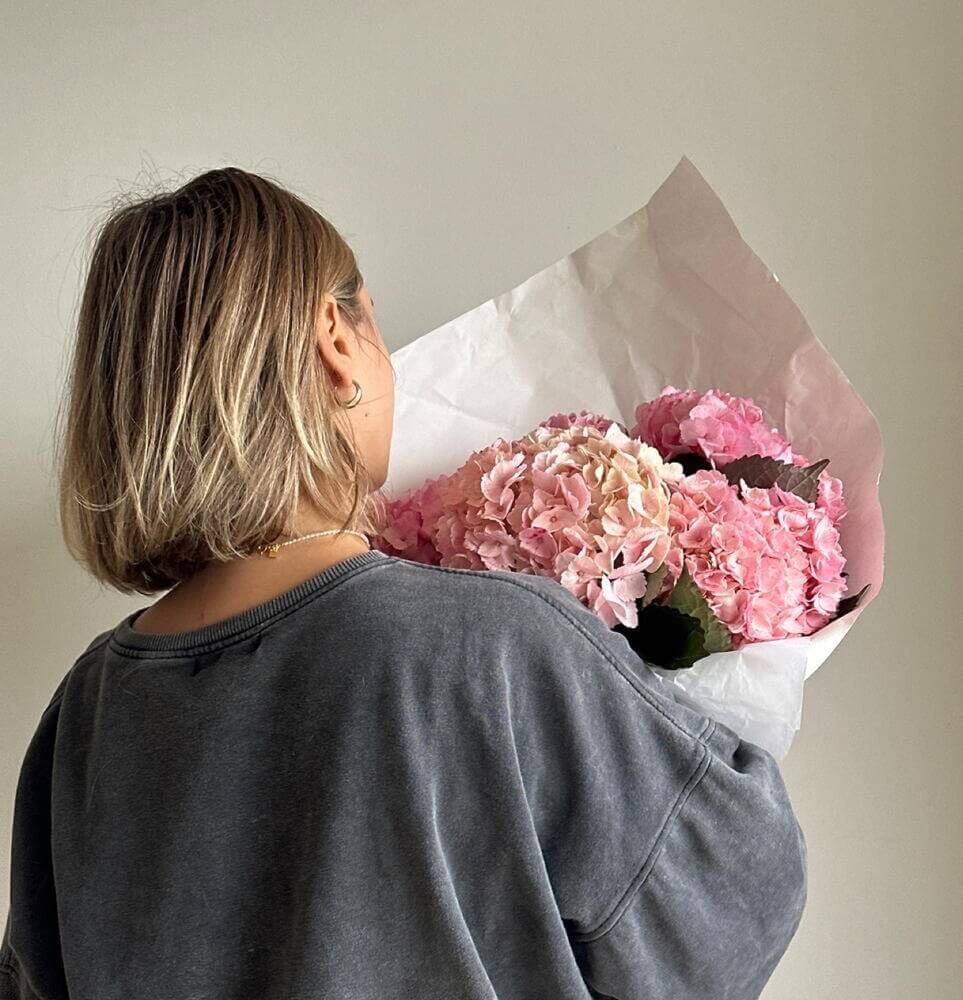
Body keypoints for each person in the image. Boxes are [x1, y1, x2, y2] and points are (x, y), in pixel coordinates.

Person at [0, 167, 807, 1000]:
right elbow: (736, 900)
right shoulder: (490, 649)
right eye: (373, 324)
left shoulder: (82, 716)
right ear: (335, 341)